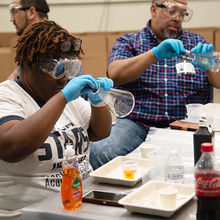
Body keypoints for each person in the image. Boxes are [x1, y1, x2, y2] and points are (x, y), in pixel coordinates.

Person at [0, 19, 113, 220]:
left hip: (80, 202)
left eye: (69, 69)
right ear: (26, 64)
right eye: (57, 69)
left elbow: (99, 132)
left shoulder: (65, 94)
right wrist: (63, 97)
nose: (64, 78)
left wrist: (98, 101)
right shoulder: (7, 95)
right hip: (29, 213)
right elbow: (12, 147)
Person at [89, 0, 220, 170]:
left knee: (211, 161)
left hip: (187, 124)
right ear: (153, 10)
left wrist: (211, 65)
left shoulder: (196, 43)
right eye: (172, 11)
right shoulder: (130, 41)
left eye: (182, 13)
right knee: (99, 153)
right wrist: (154, 54)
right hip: (138, 124)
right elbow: (115, 74)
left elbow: (217, 81)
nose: (178, 18)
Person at [7, 0, 50, 80]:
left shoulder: (48, 46)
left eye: (15, 11)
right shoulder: (33, 44)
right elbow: (14, 77)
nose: (11, 19)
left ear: (31, 13)